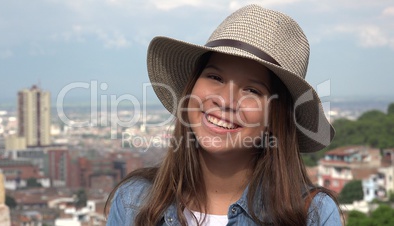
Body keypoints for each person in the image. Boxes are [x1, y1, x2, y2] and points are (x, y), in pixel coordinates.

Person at [105, 4, 342, 226]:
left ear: (275, 117)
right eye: (215, 77)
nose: (226, 101)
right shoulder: (133, 201)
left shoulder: (313, 214)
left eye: (252, 90)